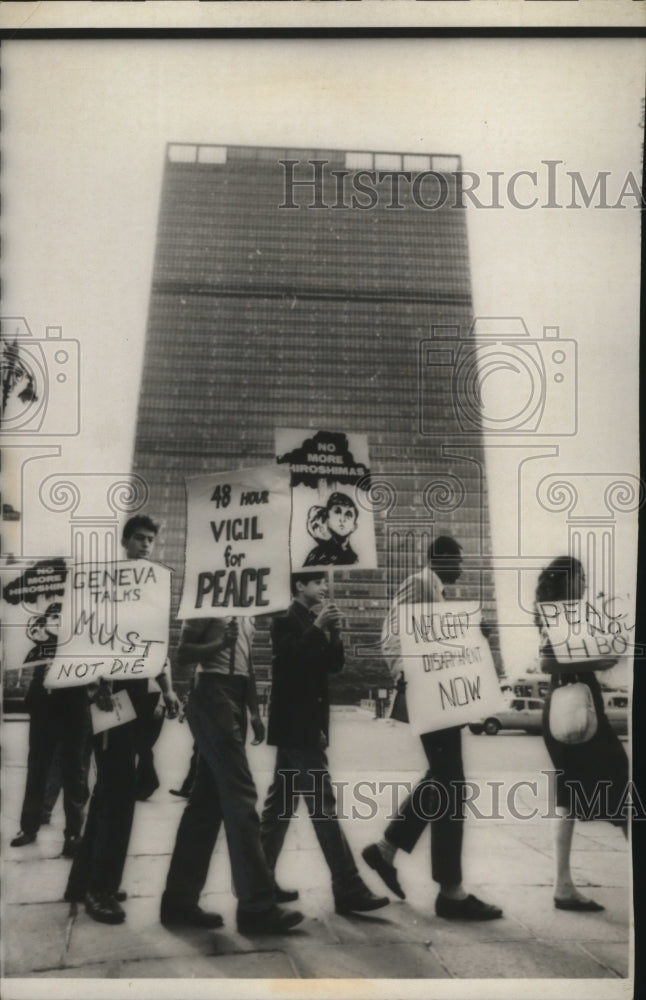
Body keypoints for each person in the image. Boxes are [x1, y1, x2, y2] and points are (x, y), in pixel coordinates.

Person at [362, 535, 503, 921]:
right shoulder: (421, 583)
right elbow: (392, 634)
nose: (461, 566)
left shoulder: (437, 593)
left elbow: (438, 642)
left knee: (443, 781)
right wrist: (405, 674)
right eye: (457, 559)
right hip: (430, 696)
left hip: (441, 697)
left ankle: (387, 849)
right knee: (450, 785)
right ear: (439, 558)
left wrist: (475, 638)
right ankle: (450, 892)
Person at [65, 515, 180, 924]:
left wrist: (167, 688)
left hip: (138, 693)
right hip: (108, 692)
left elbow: (157, 644)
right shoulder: (106, 583)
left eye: (151, 539)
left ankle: (83, 882)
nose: (146, 545)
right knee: (118, 791)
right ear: (125, 541)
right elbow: (86, 633)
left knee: (111, 789)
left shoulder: (151, 588)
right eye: (140, 538)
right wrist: (94, 682)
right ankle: (99, 890)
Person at [161, 614, 304, 935]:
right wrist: (219, 643)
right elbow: (184, 653)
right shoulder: (205, 602)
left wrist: (254, 710)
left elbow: (248, 663)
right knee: (241, 796)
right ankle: (256, 906)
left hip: (235, 696)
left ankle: (178, 901)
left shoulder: (248, 608)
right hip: (211, 691)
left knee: (205, 805)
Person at [260, 571, 389, 915]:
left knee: (280, 805)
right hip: (296, 725)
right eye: (317, 582)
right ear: (300, 586)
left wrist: (334, 631)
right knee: (322, 804)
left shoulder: (315, 619)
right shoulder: (284, 618)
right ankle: (347, 885)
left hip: (304, 725)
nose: (324, 587)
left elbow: (333, 665)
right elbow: (288, 663)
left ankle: (258, 881)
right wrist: (317, 626)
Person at [535, 556, 629, 911]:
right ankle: (563, 885)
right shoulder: (559, 615)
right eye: (581, 577)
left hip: (569, 704)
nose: (586, 583)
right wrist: (597, 661)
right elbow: (547, 660)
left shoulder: (569, 614)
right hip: (575, 704)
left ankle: (563, 885)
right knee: (621, 781)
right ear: (566, 580)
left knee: (570, 795)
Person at [10, 600, 92, 857]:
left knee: (74, 772)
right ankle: (29, 827)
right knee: (38, 768)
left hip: (73, 708)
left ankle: (74, 834)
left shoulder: (82, 634)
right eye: (53, 616)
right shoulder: (42, 634)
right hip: (44, 708)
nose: (57, 620)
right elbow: (29, 639)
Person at [304, 492, 359, 566]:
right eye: (337, 512)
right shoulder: (315, 555)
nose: (342, 519)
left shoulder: (353, 560)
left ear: (354, 527)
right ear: (327, 518)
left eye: (348, 515)